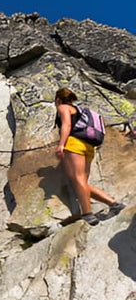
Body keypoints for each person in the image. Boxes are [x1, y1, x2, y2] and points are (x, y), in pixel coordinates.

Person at [54, 87, 125, 225]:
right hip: (89, 146)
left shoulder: (63, 107)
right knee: (81, 183)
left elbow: (67, 125)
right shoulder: (80, 110)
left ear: (58, 99)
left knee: (78, 180)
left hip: (74, 144)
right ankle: (114, 204)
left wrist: (61, 144)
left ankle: (87, 215)